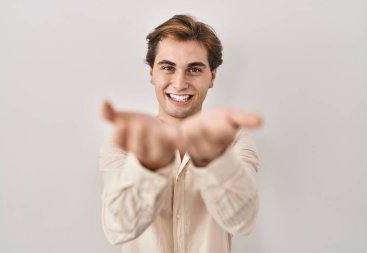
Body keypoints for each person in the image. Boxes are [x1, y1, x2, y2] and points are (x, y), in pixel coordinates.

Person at [99, 14, 263, 253]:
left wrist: (214, 161)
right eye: (168, 67)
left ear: (212, 76)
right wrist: (148, 168)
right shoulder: (124, 143)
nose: (179, 83)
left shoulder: (235, 143)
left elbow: (242, 221)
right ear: (152, 74)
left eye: (194, 69)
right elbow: (117, 228)